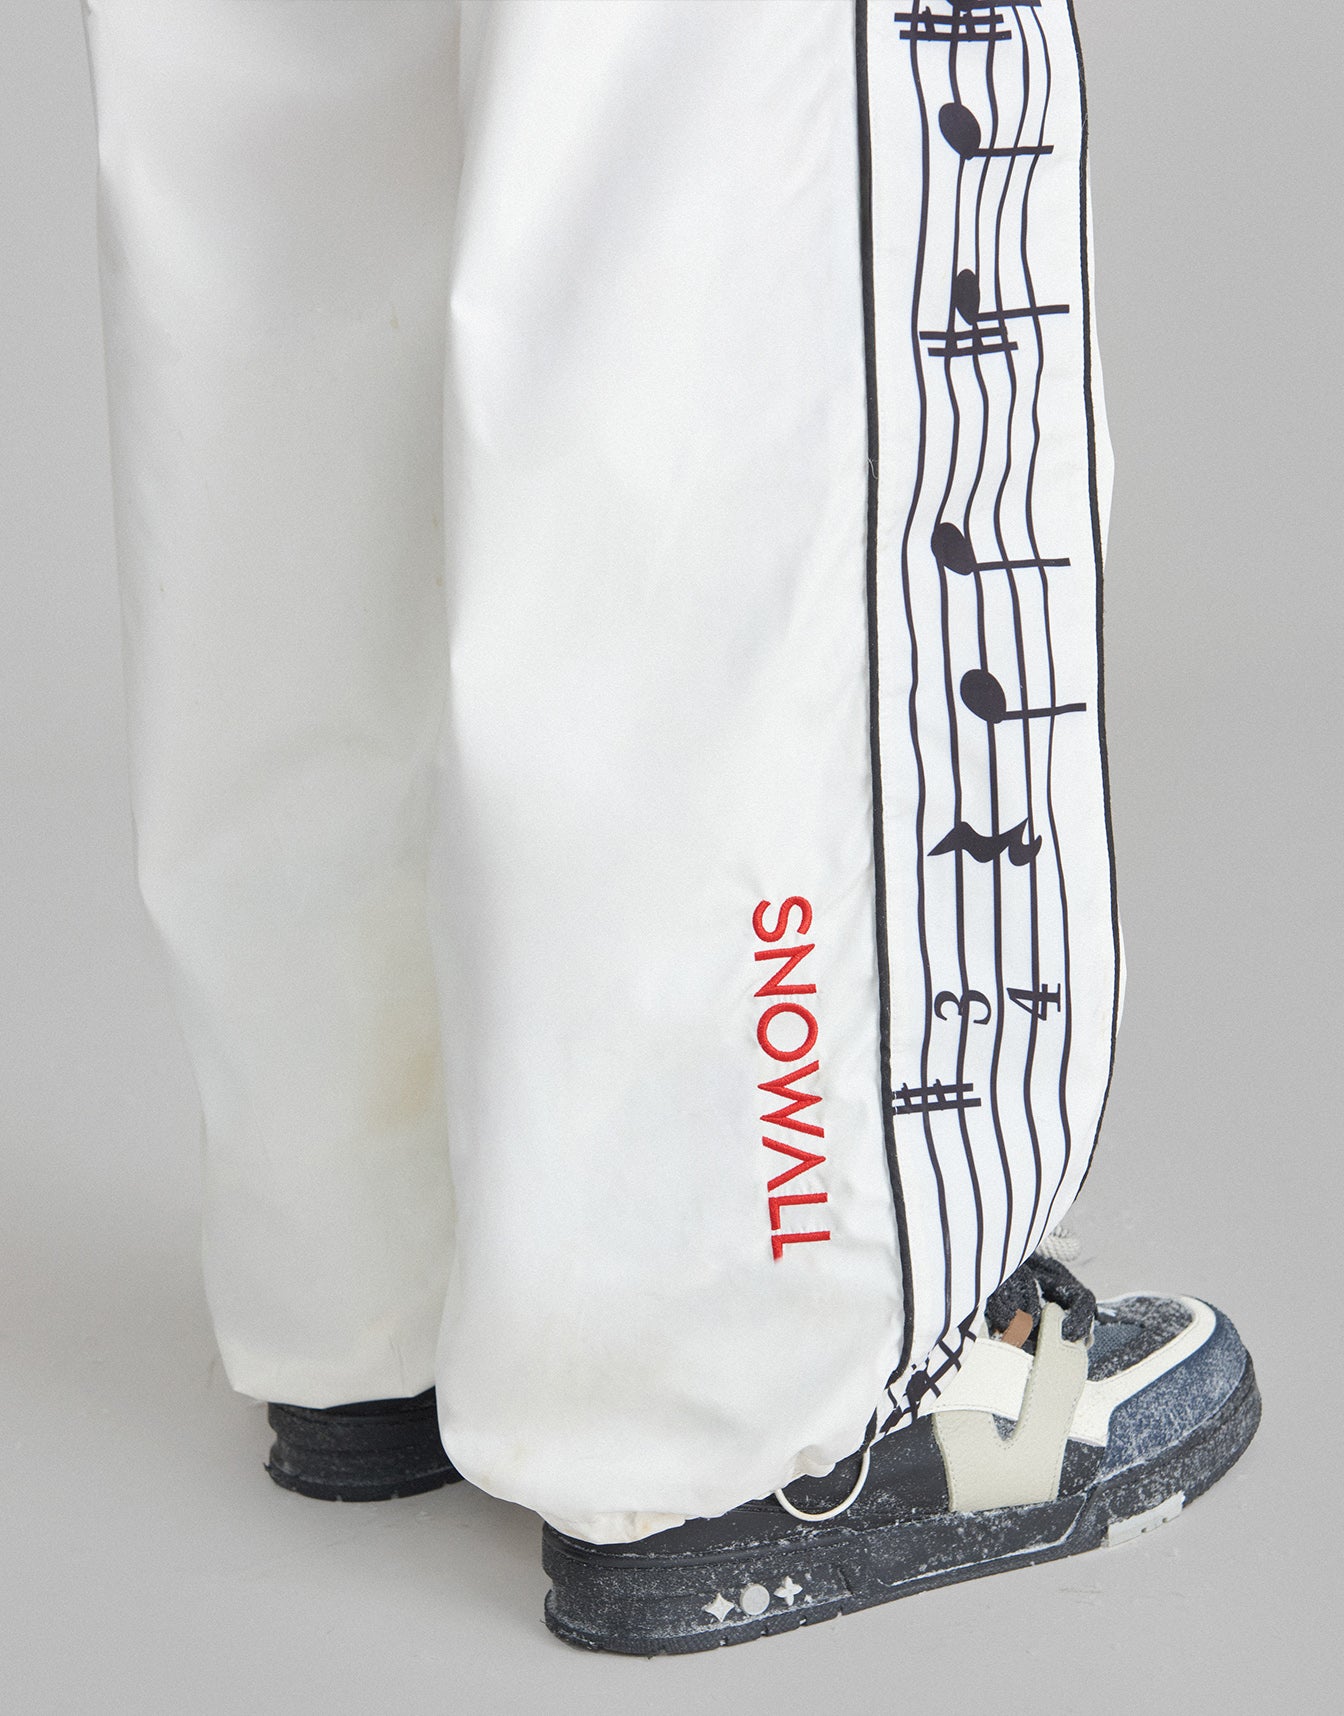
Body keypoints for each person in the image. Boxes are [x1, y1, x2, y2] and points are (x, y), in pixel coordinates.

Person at [81, 0, 1259, 1653]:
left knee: (301, 108)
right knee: (717, 108)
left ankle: (375, 1274)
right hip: (789, 1345)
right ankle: (760, 1379)